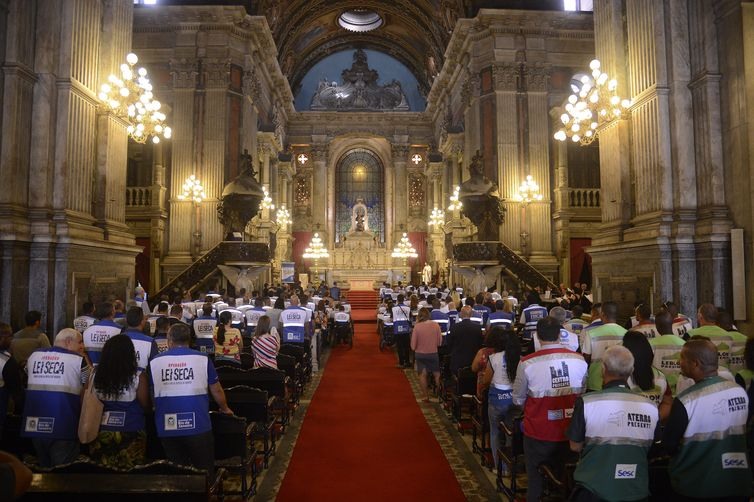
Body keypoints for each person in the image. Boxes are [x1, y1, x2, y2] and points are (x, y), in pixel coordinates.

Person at [663, 339, 752, 500]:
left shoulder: (686, 400)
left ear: (695, 364)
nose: (679, 362)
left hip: (697, 484)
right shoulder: (739, 391)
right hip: (736, 481)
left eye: (682, 358)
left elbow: (669, 444)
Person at [567, 345, 659, 502]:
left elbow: (575, 446)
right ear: (631, 371)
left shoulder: (586, 402)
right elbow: (652, 446)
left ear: (603, 369)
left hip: (593, 489)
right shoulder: (650, 407)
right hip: (636, 489)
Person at [512, 317, 588, 502]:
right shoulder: (579, 359)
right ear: (559, 335)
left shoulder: (527, 363)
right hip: (571, 432)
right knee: (569, 479)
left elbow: (517, 399)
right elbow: (582, 395)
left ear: (537, 335)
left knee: (535, 481)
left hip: (539, 431)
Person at [148, 323, 233, 475]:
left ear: (169, 340)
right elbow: (216, 389)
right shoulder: (202, 358)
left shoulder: (155, 361)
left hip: (168, 426)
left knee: (176, 472)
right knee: (204, 471)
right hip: (198, 425)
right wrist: (225, 408)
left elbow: (151, 392)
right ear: (189, 340)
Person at [22, 328, 88, 467]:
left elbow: (27, 375)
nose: (83, 346)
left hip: (35, 425)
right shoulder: (78, 361)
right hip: (63, 426)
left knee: (43, 470)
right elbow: (88, 386)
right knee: (62, 476)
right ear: (68, 342)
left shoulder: (33, 356)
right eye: (80, 342)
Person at [88, 334, 150, 469]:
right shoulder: (138, 376)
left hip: (102, 430)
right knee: (131, 473)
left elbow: (87, 400)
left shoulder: (95, 374)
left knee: (103, 473)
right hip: (132, 428)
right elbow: (145, 404)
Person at [480, 326, 520, 470]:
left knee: (495, 432)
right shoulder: (519, 358)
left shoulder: (494, 357)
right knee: (510, 433)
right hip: (514, 399)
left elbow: (486, 380)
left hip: (498, 398)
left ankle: (499, 467)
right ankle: (508, 468)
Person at [622, 330, 672, 421]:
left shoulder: (623, 376)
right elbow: (667, 403)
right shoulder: (660, 377)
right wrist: (654, 419)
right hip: (652, 432)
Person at [582, 301, 627, 391]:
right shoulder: (626, 333)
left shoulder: (591, 333)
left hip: (595, 380)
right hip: (619, 380)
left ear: (602, 314)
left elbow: (586, 358)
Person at [411, 307, 443, 402]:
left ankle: (425, 396)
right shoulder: (436, 325)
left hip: (420, 354)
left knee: (422, 375)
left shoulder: (417, 326)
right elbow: (439, 342)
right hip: (433, 353)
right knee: (437, 374)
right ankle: (439, 395)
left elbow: (413, 346)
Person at [0, 324, 23, 438]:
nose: (12, 340)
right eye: (10, 336)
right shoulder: (7, 361)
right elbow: (17, 393)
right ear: (3, 338)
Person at [82, 302, 123, 366]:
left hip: (92, 370)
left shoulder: (87, 330)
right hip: (111, 368)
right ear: (112, 312)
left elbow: (85, 353)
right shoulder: (120, 330)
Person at [447, 306, 484, 375]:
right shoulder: (477, 328)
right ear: (471, 315)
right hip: (472, 360)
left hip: (457, 361)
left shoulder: (454, 327)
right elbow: (480, 344)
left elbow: (449, 343)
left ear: (460, 314)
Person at [122, 306, 159, 374]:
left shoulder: (116, 339)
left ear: (127, 320)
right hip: (141, 382)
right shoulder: (150, 342)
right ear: (142, 322)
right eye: (145, 319)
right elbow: (153, 369)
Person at [392, 294, 412, 368]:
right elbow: (410, 318)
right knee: (406, 346)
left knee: (399, 346)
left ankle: (401, 362)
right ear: (403, 299)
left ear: (397, 300)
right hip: (406, 328)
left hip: (397, 328)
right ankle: (407, 361)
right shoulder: (408, 308)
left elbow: (392, 318)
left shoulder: (394, 308)